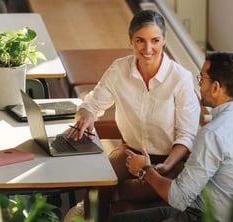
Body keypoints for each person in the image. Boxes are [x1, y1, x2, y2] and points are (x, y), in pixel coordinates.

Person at [110, 52, 233, 222]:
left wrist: (144, 170)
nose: (199, 84)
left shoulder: (213, 134)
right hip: (202, 210)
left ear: (216, 87)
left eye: (202, 79)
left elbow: (178, 197)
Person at [67, 9, 200, 220]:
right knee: (98, 182)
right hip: (130, 153)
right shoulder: (119, 70)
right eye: (140, 40)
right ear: (131, 41)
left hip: (170, 159)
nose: (148, 48)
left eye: (155, 40)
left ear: (164, 40)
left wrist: (164, 166)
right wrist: (87, 115)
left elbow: (187, 135)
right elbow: (92, 103)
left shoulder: (181, 78)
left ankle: (110, 197)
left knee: (138, 189)